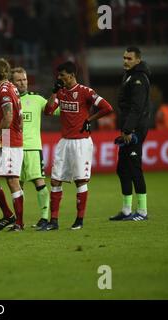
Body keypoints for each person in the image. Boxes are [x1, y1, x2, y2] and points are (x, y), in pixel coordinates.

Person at [44, 61, 113, 230]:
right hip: (64, 142)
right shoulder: (60, 93)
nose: (59, 78)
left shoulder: (85, 92)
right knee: (55, 181)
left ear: (72, 75)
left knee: (80, 181)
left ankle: (79, 220)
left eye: (62, 75)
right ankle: (53, 221)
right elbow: (48, 111)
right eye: (58, 75)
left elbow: (107, 108)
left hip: (81, 143)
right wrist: (53, 93)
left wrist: (89, 120)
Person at [11, 67, 59, 231]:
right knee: (16, 186)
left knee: (39, 183)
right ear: (12, 82)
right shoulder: (7, 101)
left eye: (24, 79)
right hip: (13, 149)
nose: (22, 82)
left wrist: (57, 95)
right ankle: (19, 221)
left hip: (32, 148)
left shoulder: (37, 99)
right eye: (18, 80)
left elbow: (54, 110)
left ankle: (44, 218)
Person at [110, 47, 151, 221]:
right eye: (124, 58)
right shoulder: (128, 76)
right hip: (128, 128)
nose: (125, 61)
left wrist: (128, 130)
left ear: (138, 60)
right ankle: (127, 210)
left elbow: (137, 107)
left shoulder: (139, 79)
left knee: (134, 169)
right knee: (123, 169)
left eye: (129, 58)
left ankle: (142, 211)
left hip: (135, 130)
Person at [0, 58, 25, 232]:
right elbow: (20, 117)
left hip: (8, 140)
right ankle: (8, 215)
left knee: (12, 181)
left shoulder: (4, 91)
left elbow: (8, 117)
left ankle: (20, 223)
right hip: (6, 140)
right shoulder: (12, 88)